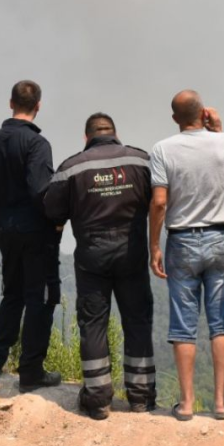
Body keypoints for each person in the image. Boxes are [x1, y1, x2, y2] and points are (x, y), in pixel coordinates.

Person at [149, 90, 224, 421]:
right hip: (221, 239)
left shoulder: (162, 149)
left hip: (181, 241)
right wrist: (220, 130)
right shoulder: (222, 142)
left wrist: (154, 244)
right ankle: (222, 404)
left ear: (175, 119)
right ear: (203, 114)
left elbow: (159, 202)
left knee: (184, 322)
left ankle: (186, 404)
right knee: (221, 320)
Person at [43, 112, 156, 420]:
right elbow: (159, 199)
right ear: (114, 133)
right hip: (131, 250)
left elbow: (52, 212)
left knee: (93, 323)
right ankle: (141, 398)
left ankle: (98, 400)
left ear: (86, 136)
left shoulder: (72, 167)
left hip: (91, 255)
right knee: (137, 320)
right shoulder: (140, 160)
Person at [0, 80, 62, 391]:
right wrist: (56, 220)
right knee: (41, 298)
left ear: (11, 103)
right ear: (38, 106)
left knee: (13, 295)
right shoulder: (37, 144)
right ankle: (31, 371)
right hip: (36, 231)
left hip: (7, 231)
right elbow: (39, 190)